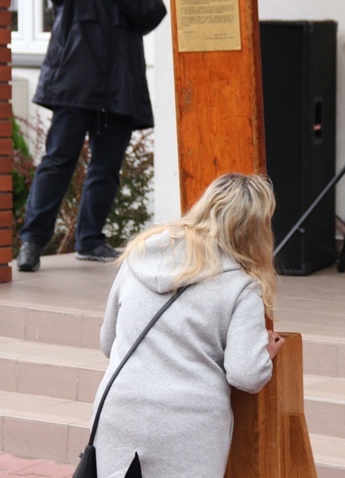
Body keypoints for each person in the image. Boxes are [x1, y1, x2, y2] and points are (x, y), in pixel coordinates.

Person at [93, 173, 285, 477]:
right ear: (255, 228)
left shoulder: (138, 255)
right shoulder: (241, 285)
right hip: (188, 422)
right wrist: (264, 353)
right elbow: (246, 374)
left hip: (119, 409)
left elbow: (108, 343)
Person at [16, 0, 167, 272]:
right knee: (58, 160)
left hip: (120, 84)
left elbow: (152, 12)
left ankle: (90, 240)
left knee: (107, 167)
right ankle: (32, 241)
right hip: (75, 79)